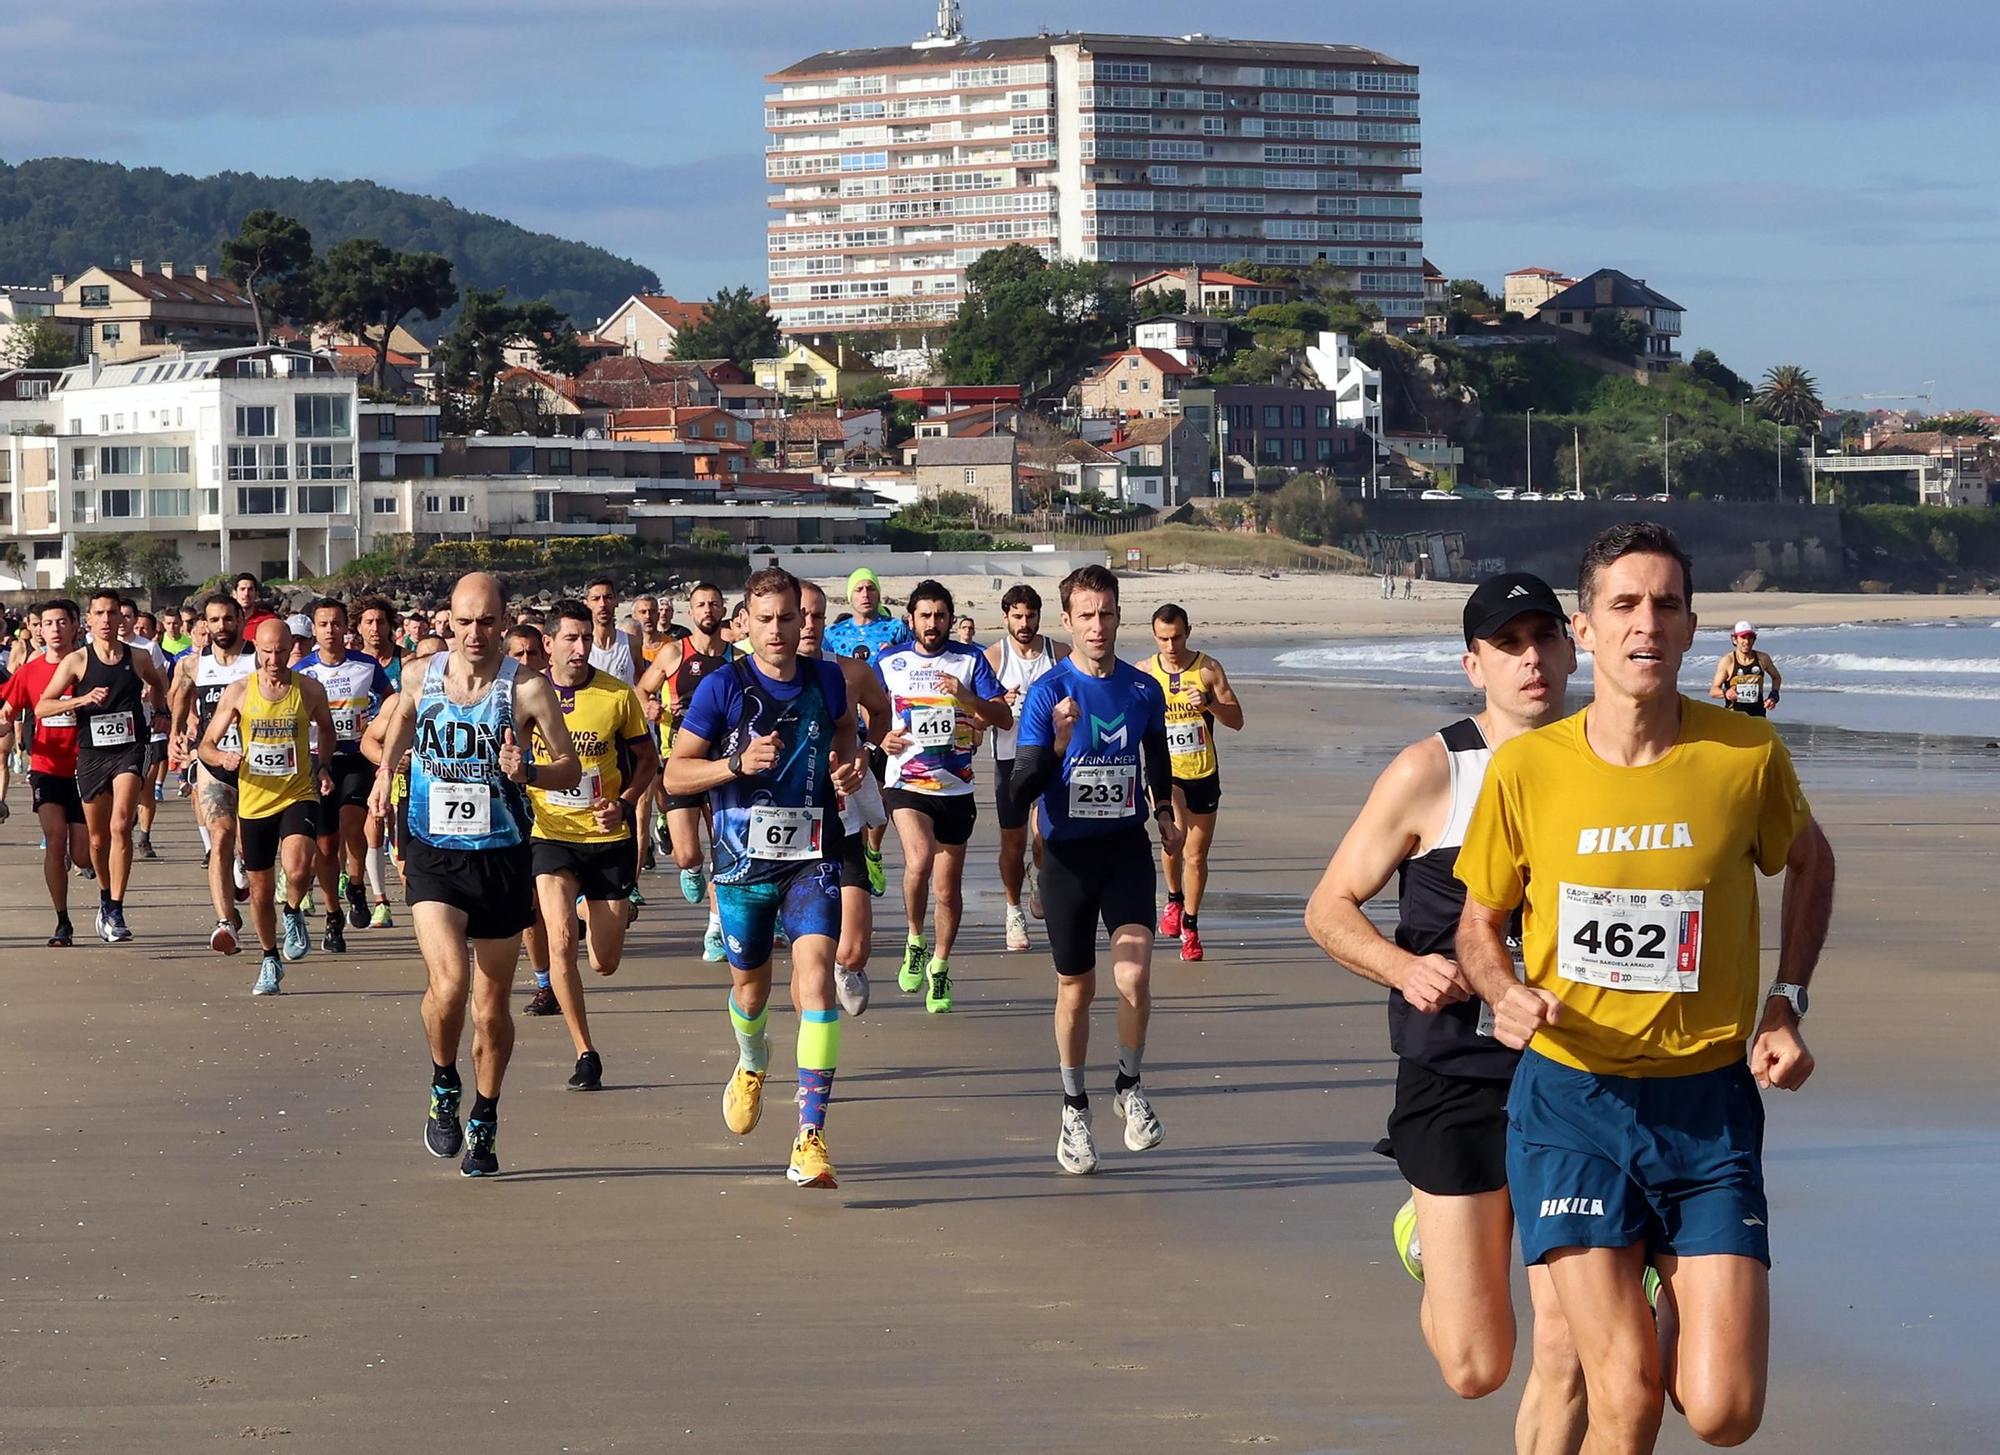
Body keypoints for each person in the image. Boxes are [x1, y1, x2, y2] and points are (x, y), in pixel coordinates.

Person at [1454, 522, 1835, 1454]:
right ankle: (1627, 1265)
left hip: (1707, 1104)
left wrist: (1786, 998)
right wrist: (1501, 987)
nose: (1645, 623)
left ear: (1694, 626)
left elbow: (1812, 861)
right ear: (1584, 630)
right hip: (1572, 1099)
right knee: (1621, 1390)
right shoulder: (1528, 767)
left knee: (1722, 1409)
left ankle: (1659, 1260)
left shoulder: (1745, 757)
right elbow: (1478, 922)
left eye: (1665, 604)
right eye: (1623, 604)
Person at [1305, 573, 1587, 1451]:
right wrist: (1404, 967)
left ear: (1574, 648)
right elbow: (1329, 907)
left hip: (1573, 1079)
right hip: (1455, 1076)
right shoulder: (1433, 771)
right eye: (1509, 644)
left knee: (1569, 1347)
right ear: (1475, 665)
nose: (1531, 658)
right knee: (1476, 1365)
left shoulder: (1608, 763)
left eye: (1545, 637)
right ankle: (1424, 1234)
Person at [369, 573, 582, 1178]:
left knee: (491, 1010)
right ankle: (444, 1080)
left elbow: (568, 769)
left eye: (487, 621)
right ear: (448, 622)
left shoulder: (529, 689)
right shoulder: (419, 675)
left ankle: (485, 1116)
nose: (474, 634)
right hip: (434, 851)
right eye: (464, 622)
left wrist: (529, 773)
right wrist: (387, 772)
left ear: (504, 621)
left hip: (502, 855)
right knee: (449, 983)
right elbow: (400, 724)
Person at [663, 566, 867, 1190]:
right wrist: (735, 762)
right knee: (751, 994)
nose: (780, 631)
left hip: (812, 858)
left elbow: (845, 731)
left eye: (790, 618)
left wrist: (851, 764)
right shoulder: (722, 688)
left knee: (817, 985)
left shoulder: (827, 678)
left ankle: (810, 1138)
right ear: (743, 624)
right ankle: (752, 1060)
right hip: (742, 867)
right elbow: (674, 776)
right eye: (767, 620)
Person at [1005, 565, 1179, 1175]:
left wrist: (1163, 812)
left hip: (1125, 848)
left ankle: (1129, 1086)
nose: (1098, 625)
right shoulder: (1049, 694)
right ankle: (1073, 1106)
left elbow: (1155, 752)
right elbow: (1015, 795)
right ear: (1067, 622)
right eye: (1086, 615)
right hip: (1067, 859)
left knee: (1132, 976)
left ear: (1117, 615)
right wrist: (1054, 747)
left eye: (1107, 613)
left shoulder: (1141, 689)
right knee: (1076, 989)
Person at [523, 598, 659, 1092]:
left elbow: (647, 762)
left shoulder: (617, 696)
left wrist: (624, 803)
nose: (581, 649)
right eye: (570, 639)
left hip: (608, 837)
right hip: (551, 834)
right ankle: (585, 1052)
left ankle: (589, 907)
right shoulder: (526, 697)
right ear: (549, 644)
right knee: (558, 941)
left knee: (603, 962)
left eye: (585, 639)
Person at [874, 579, 1011, 1012]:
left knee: (948, 892)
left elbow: (1003, 717)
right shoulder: (889, 661)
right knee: (918, 860)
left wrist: (967, 698)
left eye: (940, 615)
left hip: (956, 787)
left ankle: (940, 965)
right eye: (925, 615)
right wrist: (882, 739)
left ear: (951, 619)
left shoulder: (970, 659)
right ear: (910, 619)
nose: (933, 623)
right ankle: (915, 938)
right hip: (907, 784)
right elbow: (868, 714)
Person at [200, 619, 339, 994]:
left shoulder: (309, 689)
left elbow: (327, 729)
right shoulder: (240, 691)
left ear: (292, 647)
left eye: (281, 651)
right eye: (266, 651)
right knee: (260, 894)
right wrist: (223, 757)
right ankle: (269, 958)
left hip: (297, 793)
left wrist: (323, 764)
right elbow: (205, 745)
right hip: (255, 800)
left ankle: (293, 911)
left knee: (297, 868)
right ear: (255, 649)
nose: (274, 659)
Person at [35, 589, 170, 943]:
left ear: (123, 619)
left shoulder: (138, 657)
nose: (107, 621)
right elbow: (42, 707)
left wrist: (161, 712)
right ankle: (104, 896)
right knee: (96, 842)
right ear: (89, 620)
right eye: (100, 614)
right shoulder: (77, 661)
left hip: (129, 749)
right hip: (92, 755)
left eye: (113, 613)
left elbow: (160, 684)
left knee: (121, 825)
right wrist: (80, 699)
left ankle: (116, 907)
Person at [799, 579, 894, 1016]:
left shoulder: (849, 672)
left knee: (852, 950)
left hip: (843, 819)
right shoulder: (752, 679)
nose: (808, 624)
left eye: (817, 615)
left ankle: (848, 968)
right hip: (789, 831)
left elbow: (881, 712)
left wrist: (867, 753)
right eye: (800, 614)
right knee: (809, 960)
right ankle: (807, 1055)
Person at [1145, 605, 1245, 962]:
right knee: (1176, 836)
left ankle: (1191, 924)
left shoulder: (1208, 669)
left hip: (1203, 771)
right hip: (1165, 774)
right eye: (1163, 638)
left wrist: (1208, 706)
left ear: (1188, 632)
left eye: (1176, 637)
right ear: (1154, 636)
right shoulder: (1145, 672)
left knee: (1197, 857)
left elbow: (1237, 720)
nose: (1170, 646)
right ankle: (1173, 899)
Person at [635, 581, 731, 942]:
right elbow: (642, 689)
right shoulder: (675, 652)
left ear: (723, 610)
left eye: (714, 604)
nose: (708, 610)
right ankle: (691, 867)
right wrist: (652, 707)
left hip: (721, 764)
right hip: (680, 761)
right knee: (687, 854)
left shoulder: (736, 658)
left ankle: (715, 928)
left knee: (724, 851)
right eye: (701, 605)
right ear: (691, 614)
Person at [298, 598, 395, 951]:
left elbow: (391, 699)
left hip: (355, 756)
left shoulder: (365, 665)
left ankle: (355, 883)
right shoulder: (304, 671)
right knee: (325, 843)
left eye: (336, 623)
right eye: (323, 624)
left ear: (345, 628)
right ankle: (332, 914)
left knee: (353, 824)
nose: (330, 630)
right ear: (314, 629)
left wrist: (377, 721)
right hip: (317, 759)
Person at [0, 600, 92, 946]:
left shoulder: (88, 666)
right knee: (55, 839)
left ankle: (86, 864)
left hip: (86, 767)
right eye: (47, 623)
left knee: (82, 854)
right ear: (39, 629)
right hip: (47, 767)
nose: (53, 629)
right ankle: (62, 922)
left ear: (74, 627)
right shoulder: (30, 671)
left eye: (61, 622)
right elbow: (8, 713)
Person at [984, 585, 1068, 952]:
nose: (1024, 623)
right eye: (1017, 616)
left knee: (1043, 837)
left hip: (1052, 757)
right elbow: (975, 713)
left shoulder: (1059, 654)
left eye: (1030, 616)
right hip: (1010, 759)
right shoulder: (993, 658)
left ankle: (1039, 878)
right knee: (1013, 843)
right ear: (1005, 618)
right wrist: (998, 703)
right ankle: (1013, 909)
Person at [173, 593, 258, 954]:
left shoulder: (259, 658)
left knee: (250, 848)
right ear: (203, 624)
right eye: (214, 620)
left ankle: (242, 876)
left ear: (240, 618)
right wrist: (177, 731)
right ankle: (225, 923)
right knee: (220, 836)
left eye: (228, 618)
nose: (221, 626)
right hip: (212, 761)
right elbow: (178, 695)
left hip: (258, 765)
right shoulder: (193, 664)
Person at [819, 567, 912, 662]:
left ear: (879, 595)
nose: (865, 595)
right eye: (859, 590)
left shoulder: (898, 629)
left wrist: (896, 652)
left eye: (870, 589)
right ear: (850, 597)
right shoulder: (831, 634)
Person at [1708, 621, 1781, 718]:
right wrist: (1726, 693)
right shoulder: (1728, 661)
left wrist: (1773, 696)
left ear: (1754, 639)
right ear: (1735, 640)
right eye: (1743, 637)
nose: (1747, 642)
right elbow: (1713, 691)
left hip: (1758, 717)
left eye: (1750, 637)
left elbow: (1776, 677)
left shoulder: (1763, 659)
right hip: (1733, 718)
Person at [583, 577, 638, 685]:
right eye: (596, 598)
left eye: (608, 597)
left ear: (616, 601)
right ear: (586, 603)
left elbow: (640, 680)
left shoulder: (632, 643)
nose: (603, 604)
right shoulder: (581, 646)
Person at [232, 572, 278, 640]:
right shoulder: (227, 620)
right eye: (242, 589)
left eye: (250, 589)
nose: (246, 593)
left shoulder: (268, 620)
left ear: (256, 594)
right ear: (234, 594)